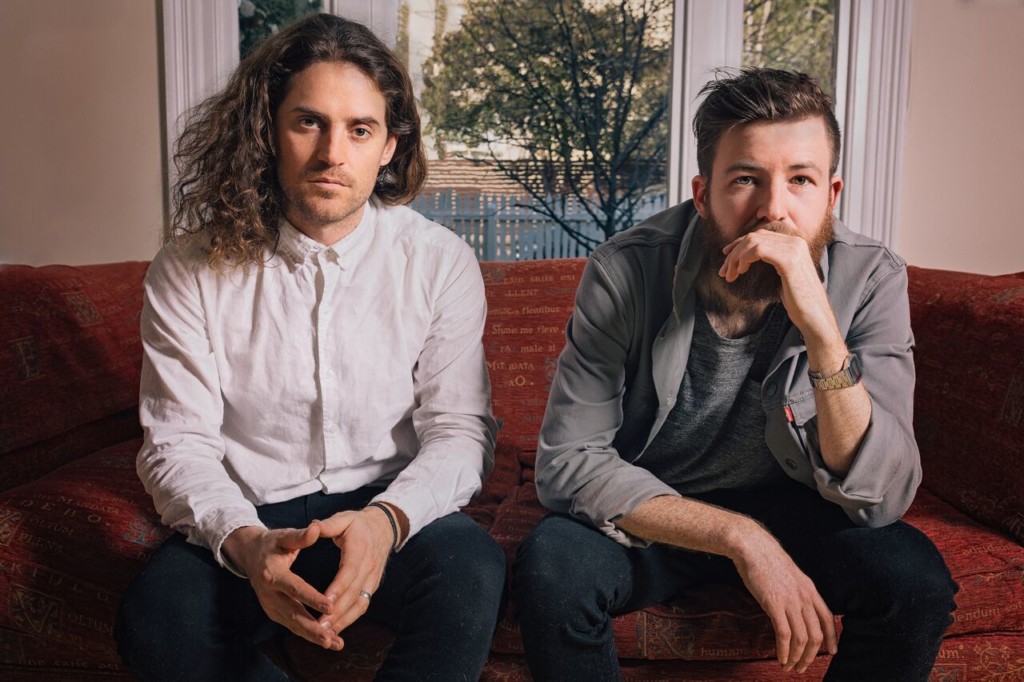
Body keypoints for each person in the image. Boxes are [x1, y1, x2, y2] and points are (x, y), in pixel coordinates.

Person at [512, 68, 957, 681]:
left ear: (831, 195)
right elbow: (567, 462)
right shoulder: (625, 270)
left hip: (802, 506)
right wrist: (743, 539)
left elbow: (882, 494)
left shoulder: (873, 277)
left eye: (800, 180)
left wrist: (823, 330)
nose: (773, 210)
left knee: (915, 583)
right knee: (552, 566)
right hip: (657, 504)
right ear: (703, 194)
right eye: (746, 179)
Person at [114, 13, 505, 682]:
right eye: (308, 122)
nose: (332, 154)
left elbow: (459, 432)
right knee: (155, 622)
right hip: (252, 514)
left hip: (385, 500)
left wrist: (386, 523)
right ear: (267, 129)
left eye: (360, 129)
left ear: (388, 146)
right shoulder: (187, 267)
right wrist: (246, 543)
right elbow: (178, 444)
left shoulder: (439, 261)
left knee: (471, 569)